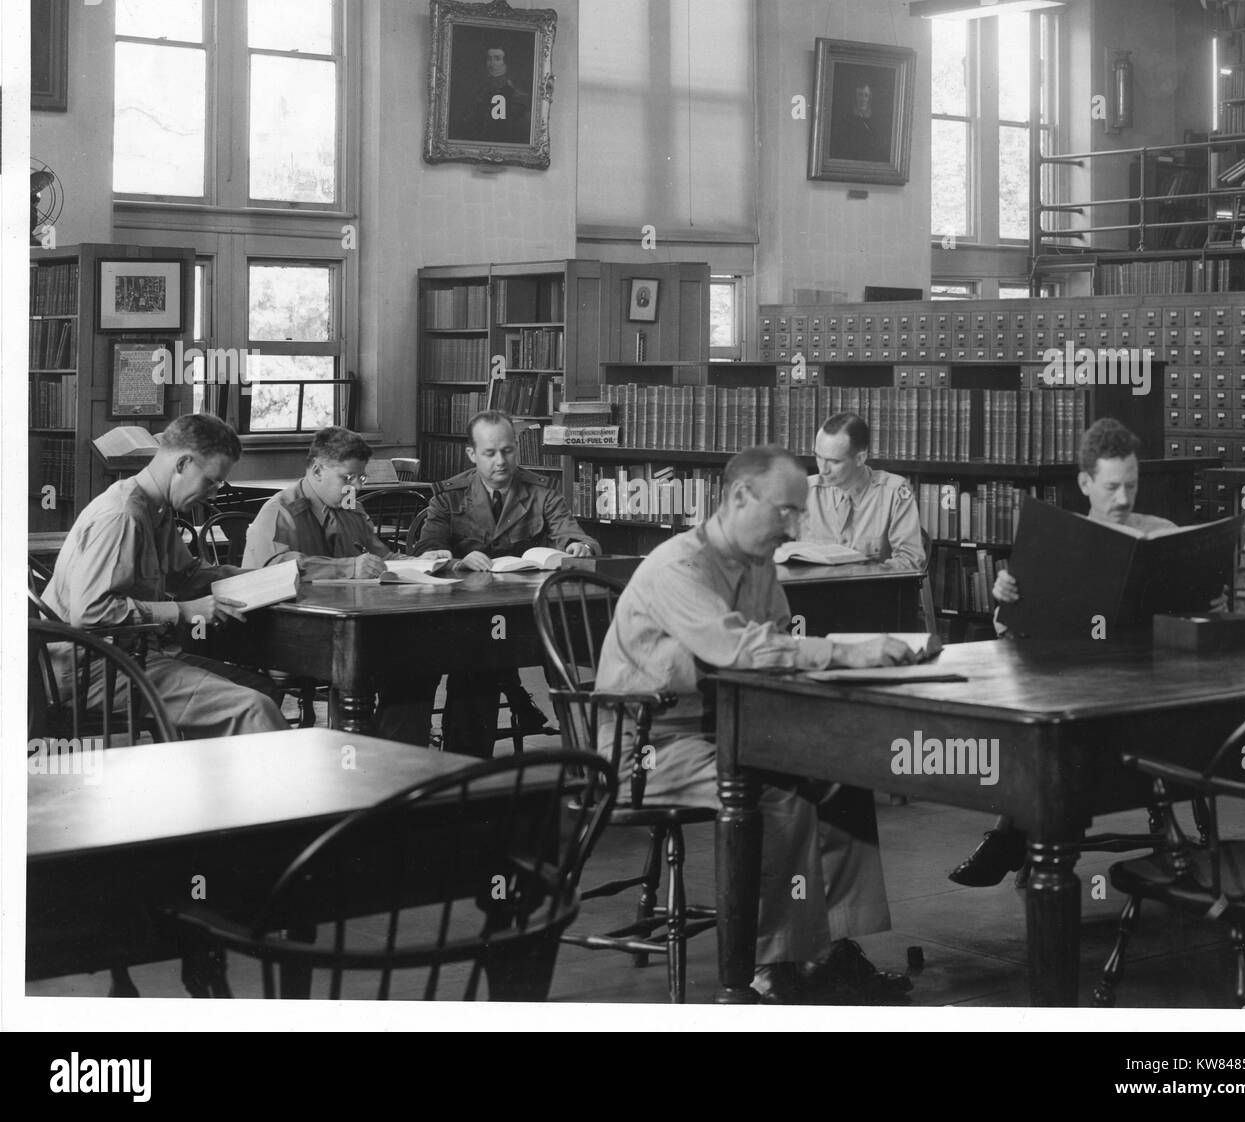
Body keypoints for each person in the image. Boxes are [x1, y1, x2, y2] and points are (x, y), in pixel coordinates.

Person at [595, 445, 920, 1004]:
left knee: (842, 776)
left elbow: (778, 644)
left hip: (726, 729)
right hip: (648, 747)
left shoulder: (758, 564)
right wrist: (845, 653)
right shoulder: (678, 565)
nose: (794, 528)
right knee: (776, 792)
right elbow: (741, 648)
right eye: (785, 511)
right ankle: (772, 964)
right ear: (741, 496)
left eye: (799, 512)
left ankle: (829, 949)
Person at [949, 417, 1223, 886]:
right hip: (1078, 690)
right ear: (1085, 484)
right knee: (1051, 730)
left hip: (1147, 696)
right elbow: (1011, 633)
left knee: (1061, 741)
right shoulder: (1059, 541)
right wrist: (1006, 597)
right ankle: (1022, 838)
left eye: (1131, 485)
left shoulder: (1161, 533)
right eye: (1112, 487)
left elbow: (1198, 623)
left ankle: (1011, 838)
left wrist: (1212, 605)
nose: (1123, 498)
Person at [41, 413, 288, 741]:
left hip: (129, 655)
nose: (213, 495)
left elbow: (186, 576)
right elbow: (90, 612)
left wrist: (264, 579)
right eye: (210, 482)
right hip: (89, 670)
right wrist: (184, 611)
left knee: (262, 688)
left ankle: (203, 771)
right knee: (252, 707)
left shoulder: (156, 508)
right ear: (182, 463)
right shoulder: (122, 515)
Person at [411, 410, 600, 757]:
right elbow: (425, 552)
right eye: (490, 453)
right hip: (468, 615)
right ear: (472, 454)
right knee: (477, 664)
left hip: (530, 613)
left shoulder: (541, 492)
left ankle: (585, 758)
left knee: (569, 661)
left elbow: (574, 534)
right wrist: (455, 561)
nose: (501, 461)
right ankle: (467, 764)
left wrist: (579, 546)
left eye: (508, 450)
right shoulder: (449, 496)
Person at [242, 426, 442, 746]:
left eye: (361, 478)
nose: (356, 487)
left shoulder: (350, 506)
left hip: (350, 628)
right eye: (348, 478)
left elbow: (381, 556)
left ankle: (390, 754)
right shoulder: (280, 510)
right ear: (317, 470)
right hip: (289, 635)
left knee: (419, 663)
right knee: (372, 665)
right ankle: (365, 749)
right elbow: (270, 571)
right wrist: (348, 567)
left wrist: (420, 562)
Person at [801, 411, 925, 571]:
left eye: (834, 461)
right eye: (818, 457)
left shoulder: (894, 492)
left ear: (860, 458)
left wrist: (852, 575)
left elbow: (911, 561)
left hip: (870, 586)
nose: (823, 469)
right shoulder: (804, 491)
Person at [456, 44, 531, 144]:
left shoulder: (518, 93)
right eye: (489, 59)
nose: (492, 64)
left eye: (497, 59)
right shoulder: (480, 90)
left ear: (506, 62)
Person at [829, 81, 889, 164]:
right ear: (855, 97)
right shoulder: (847, 120)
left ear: (870, 98)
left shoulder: (876, 121)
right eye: (860, 95)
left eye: (866, 95)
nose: (863, 99)